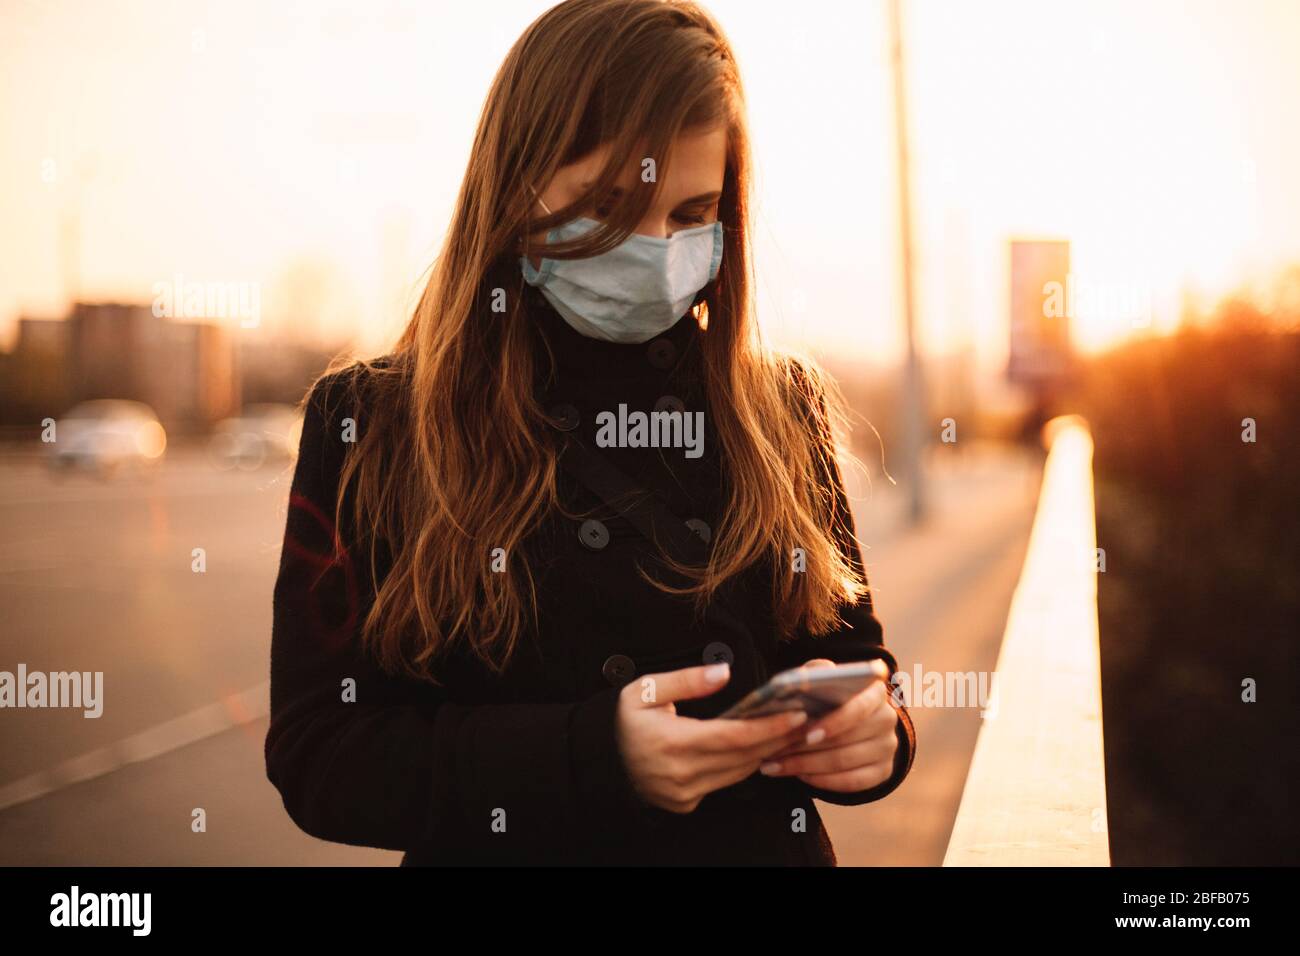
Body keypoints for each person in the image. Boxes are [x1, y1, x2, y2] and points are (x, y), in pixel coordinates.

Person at [265, 0, 915, 866]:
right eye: (608, 206)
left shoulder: (778, 410)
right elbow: (321, 755)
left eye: (693, 215)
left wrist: (880, 740)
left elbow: (851, 658)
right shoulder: (371, 422)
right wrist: (592, 757)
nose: (653, 246)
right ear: (514, 188)